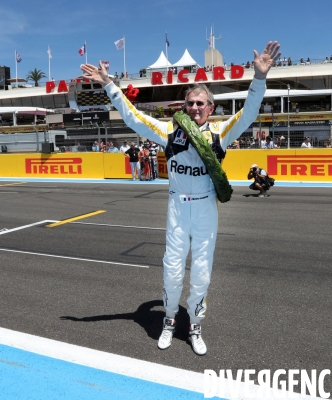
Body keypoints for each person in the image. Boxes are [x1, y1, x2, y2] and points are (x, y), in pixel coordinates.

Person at [81, 40, 281, 356]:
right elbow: (133, 118)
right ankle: (171, 321)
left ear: (211, 108)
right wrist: (109, 85)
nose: (196, 108)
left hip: (205, 209)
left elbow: (250, 112)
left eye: (201, 103)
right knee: (172, 270)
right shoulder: (168, 132)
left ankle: (195, 325)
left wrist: (259, 78)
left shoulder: (221, 132)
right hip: (177, 206)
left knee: (202, 271)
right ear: (184, 107)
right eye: (191, 103)